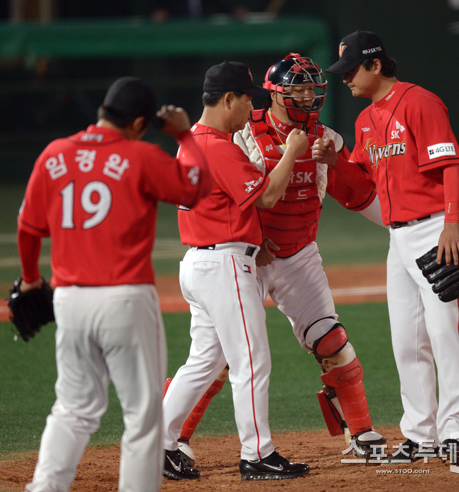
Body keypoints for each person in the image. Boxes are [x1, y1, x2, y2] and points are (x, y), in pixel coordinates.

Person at [166, 53, 387, 467]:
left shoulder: (326, 139)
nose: (307, 96)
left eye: (312, 89)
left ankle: (360, 432)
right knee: (232, 359)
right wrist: (256, 234)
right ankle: (229, 449)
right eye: (298, 89)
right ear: (272, 95)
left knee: (329, 341)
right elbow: (258, 197)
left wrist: (339, 164)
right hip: (243, 258)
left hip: (295, 253)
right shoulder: (233, 137)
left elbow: (359, 193)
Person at [20, 76, 212, 492]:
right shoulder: (141, 156)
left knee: (73, 409)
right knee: (143, 417)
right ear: (140, 123)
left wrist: (32, 279)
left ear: (103, 111)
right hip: (125, 300)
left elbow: (28, 227)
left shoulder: (54, 154)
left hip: (69, 301)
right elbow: (194, 189)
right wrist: (184, 135)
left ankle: (45, 487)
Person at [313, 30, 459, 463]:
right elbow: (362, 183)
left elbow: (451, 164)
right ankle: (421, 435)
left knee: (445, 335)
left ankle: (456, 433)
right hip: (398, 238)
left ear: (375, 65)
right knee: (407, 340)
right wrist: (335, 163)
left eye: (352, 69)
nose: (346, 78)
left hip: (438, 231)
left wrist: (452, 224)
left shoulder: (420, 102)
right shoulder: (365, 121)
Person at [162, 61, 312, 481]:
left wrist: (252, 239)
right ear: (228, 99)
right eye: (247, 99)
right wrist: (292, 152)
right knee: (251, 360)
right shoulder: (216, 146)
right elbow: (267, 197)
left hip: (201, 261)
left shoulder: (190, 142)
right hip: (223, 265)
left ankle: (157, 443)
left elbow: (220, 204)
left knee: (203, 362)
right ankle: (257, 454)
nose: (252, 107)